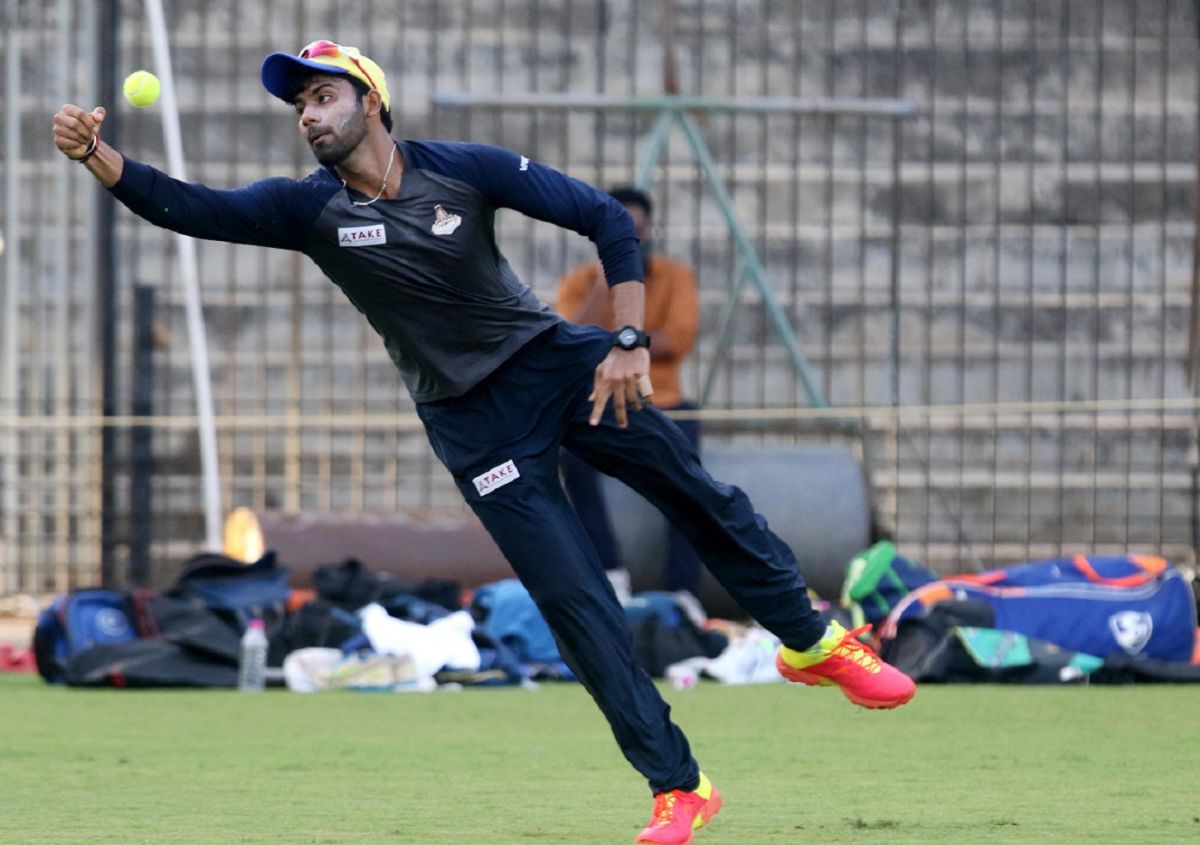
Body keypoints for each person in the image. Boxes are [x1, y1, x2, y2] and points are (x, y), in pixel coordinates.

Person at [52, 41, 915, 845]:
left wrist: (625, 341)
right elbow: (192, 210)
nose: (309, 116)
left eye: (324, 96)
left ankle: (810, 640)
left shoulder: (462, 170)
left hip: (558, 363)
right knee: (576, 602)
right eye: (300, 107)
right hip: (472, 425)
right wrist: (100, 155)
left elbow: (607, 218)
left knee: (698, 493)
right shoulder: (307, 208)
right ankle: (680, 785)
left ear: (372, 102)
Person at [555, 187, 703, 599]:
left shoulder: (675, 277)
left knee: (687, 478)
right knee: (571, 458)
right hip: (602, 401)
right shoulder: (580, 283)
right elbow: (570, 341)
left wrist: (617, 339)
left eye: (635, 232)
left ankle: (682, 591)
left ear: (650, 230)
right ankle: (609, 572)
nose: (630, 242)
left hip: (664, 401)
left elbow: (676, 340)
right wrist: (607, 284)